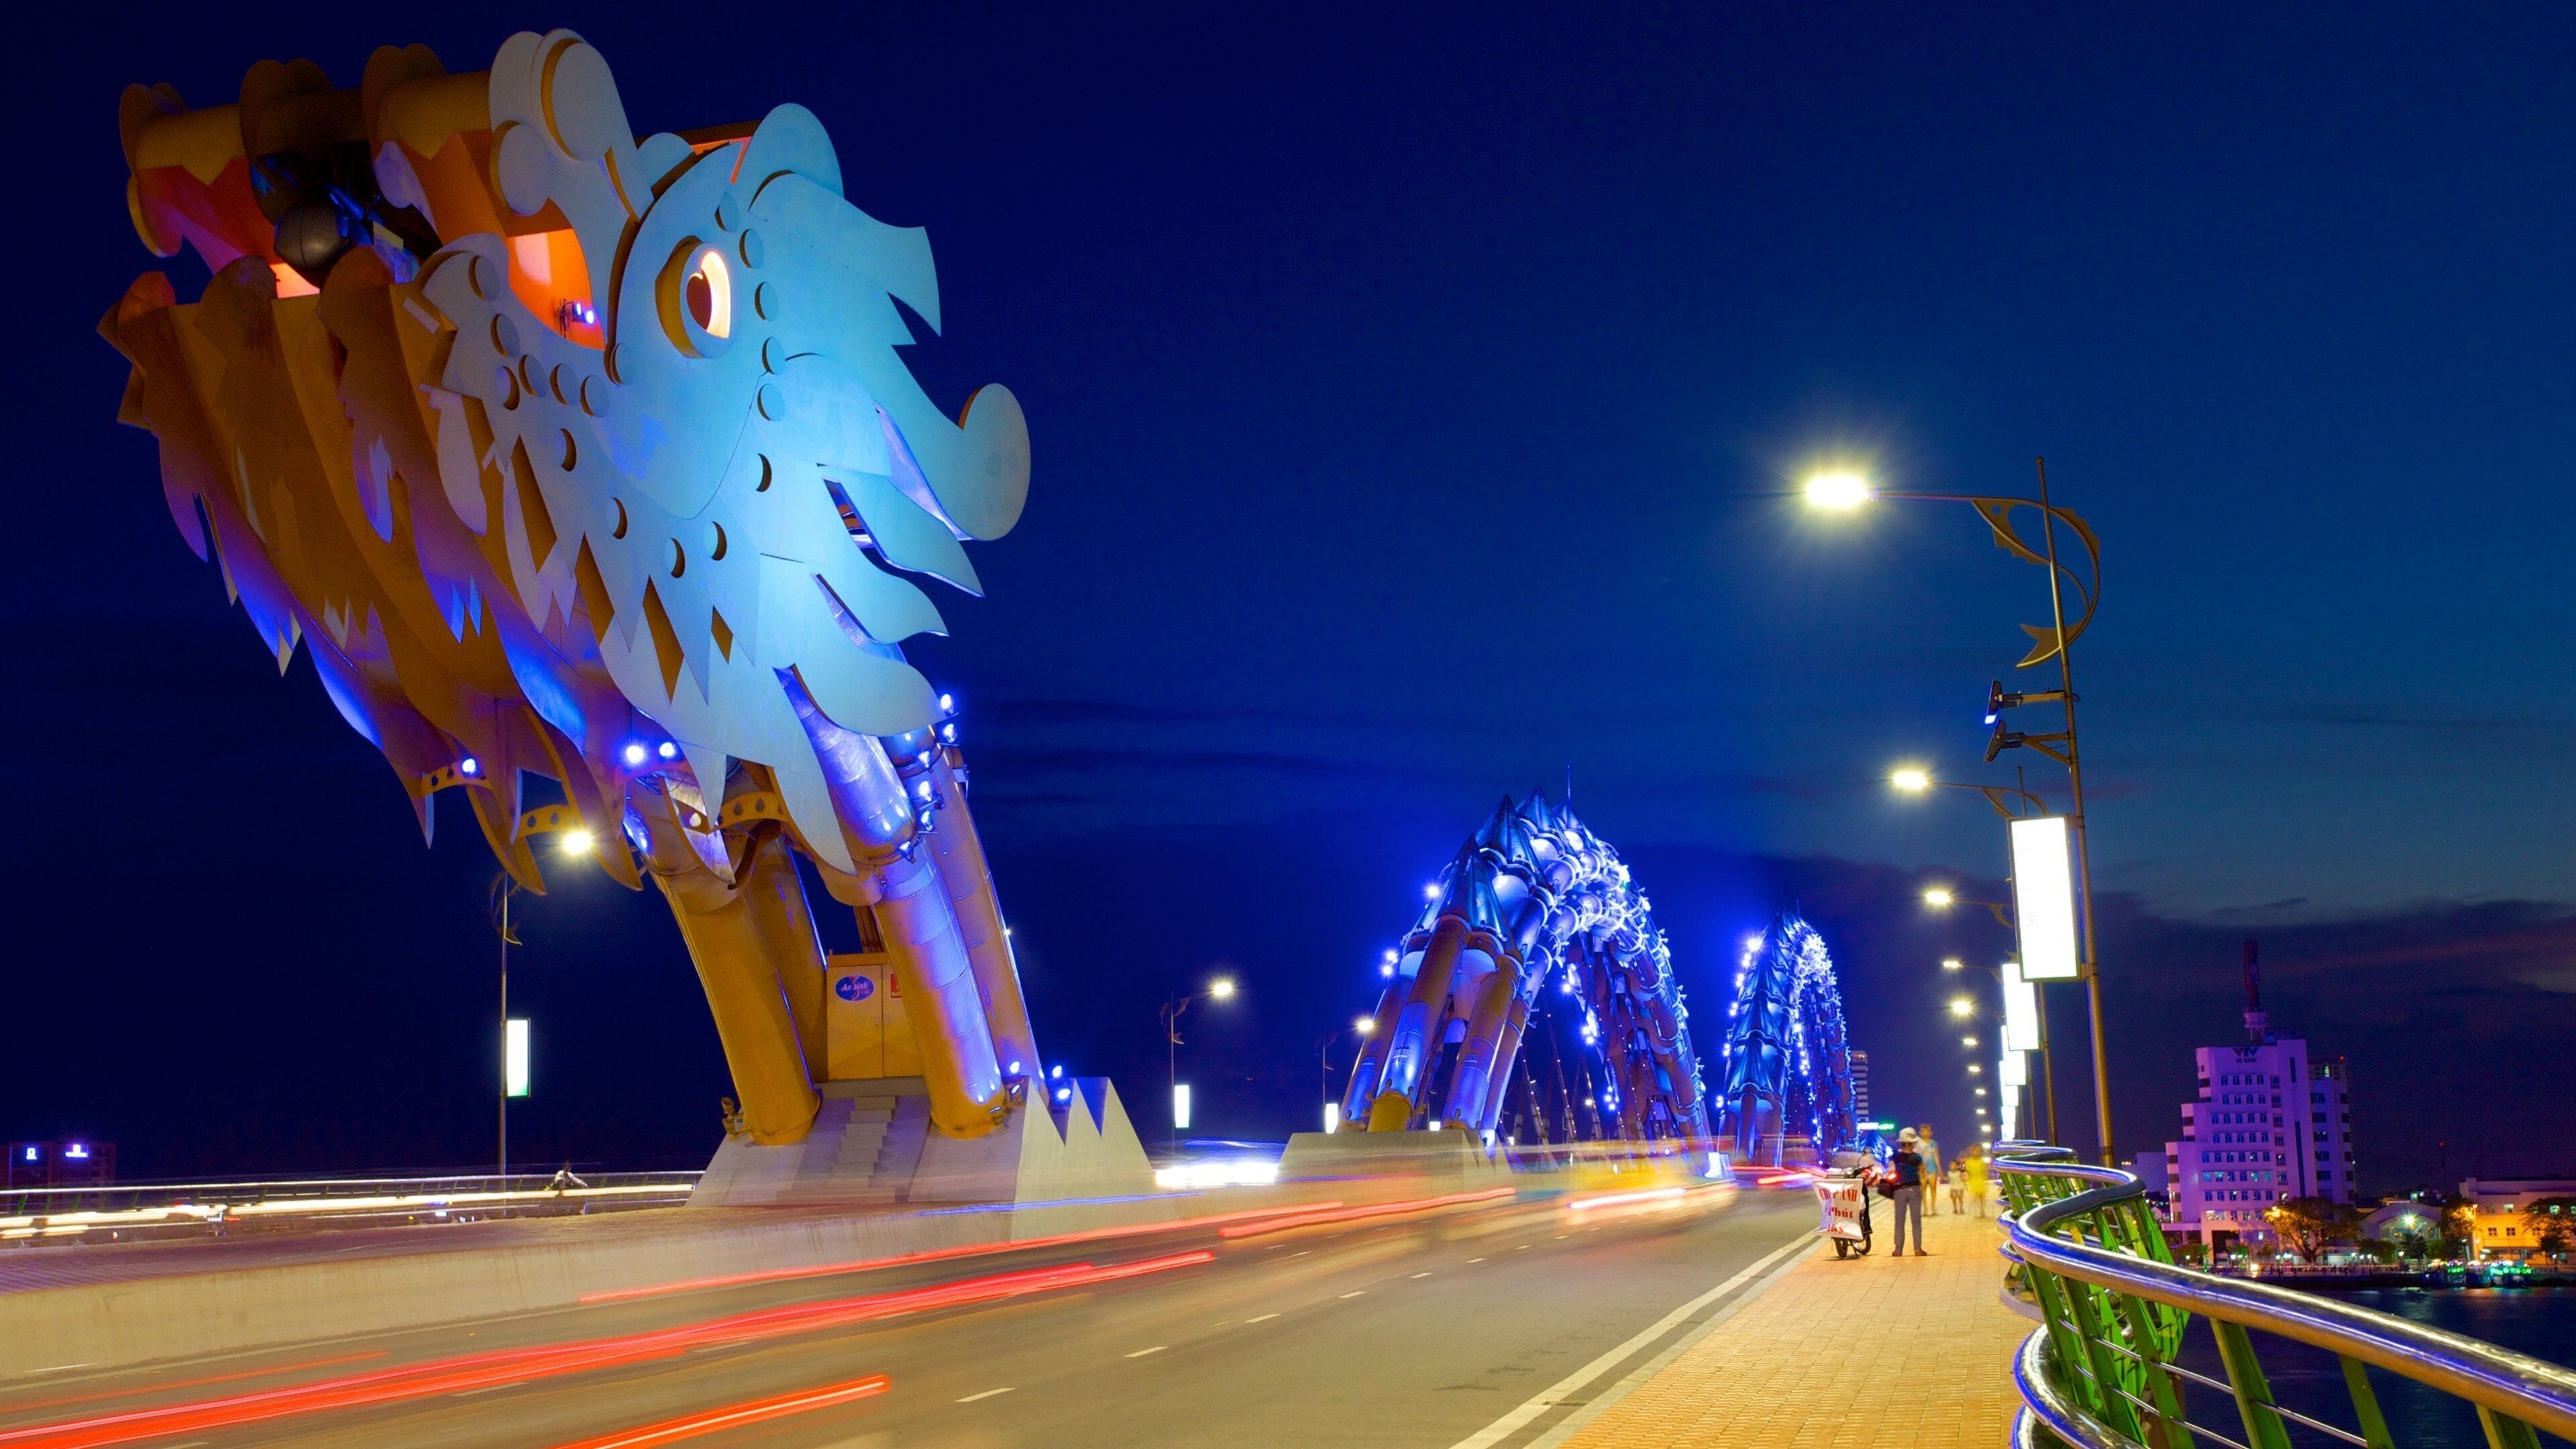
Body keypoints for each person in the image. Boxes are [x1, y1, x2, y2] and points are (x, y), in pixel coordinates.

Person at [1888, 1128, 1928, 1256]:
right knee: (1916, 1221)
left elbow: (1890, 1172)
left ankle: (1898, 1250)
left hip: (1899, 1191)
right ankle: (1918, 1249)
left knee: (1899, 1221)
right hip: (1914, 1189)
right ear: (1912, 1143)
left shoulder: (1895, 1156)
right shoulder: (1918, 1158)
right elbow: (1923, 1175)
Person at [1919, 1124, 1945, 1214]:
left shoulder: (1934, 1144)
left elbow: (1936, 1157)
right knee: (1923, 1189)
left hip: (1932, 1168)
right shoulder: (1918, 1143)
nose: (1924, 1133)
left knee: (1933, 1188)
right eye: (1922, 1131)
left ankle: (1933, 1208)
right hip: (1922, 1170)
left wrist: (1940, 1170)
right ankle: (1925, 1208)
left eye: (1927, 1131)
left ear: (1930, 1133)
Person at [1962, 1145, 1990, 1219]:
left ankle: (1982, 1211)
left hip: (1980, 1180)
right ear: (1972, 1152)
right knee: (1975, 1197)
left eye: (1978, 1151)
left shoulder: (1981, 1161)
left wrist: (1985, 1179)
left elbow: (1984, 1171)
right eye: (1975, 1151)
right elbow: (1968, 1172)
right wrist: (1966, 1181)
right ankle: (1977, 1212)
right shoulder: (1969, 1161)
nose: (1977, 1153)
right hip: (1973, 1181)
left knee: (1981, 1197)